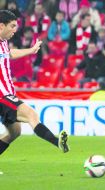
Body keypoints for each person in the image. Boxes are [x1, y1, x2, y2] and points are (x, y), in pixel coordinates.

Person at [0, 10, 69, 156]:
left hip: (7, 94)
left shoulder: (3, 42)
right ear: (1, 26)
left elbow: (10, 53)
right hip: (2, 96)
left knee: (15, 132)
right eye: (12, 26)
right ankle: (57, 143)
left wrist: (30, 50)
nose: (15, 29)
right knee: (31, 115)